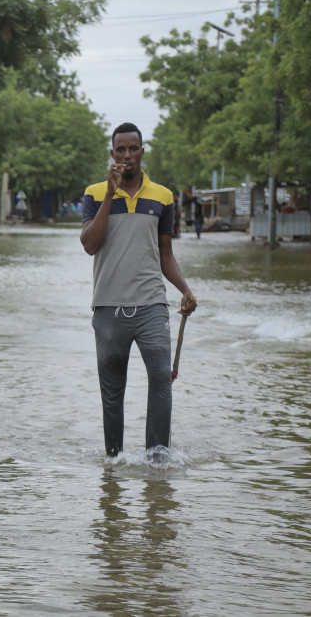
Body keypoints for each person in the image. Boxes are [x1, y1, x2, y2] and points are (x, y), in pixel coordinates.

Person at [80, 123, 197, 458]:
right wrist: (110, 194)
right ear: (112, 153)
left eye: (133, 149)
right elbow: (89, 245)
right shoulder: (94, 193)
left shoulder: (162, 196)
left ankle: (157, 460)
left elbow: (165, 254)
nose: (127, 155)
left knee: (161, 379)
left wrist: (185, 290)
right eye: (121, 150)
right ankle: (114, 463)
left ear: (142, 152)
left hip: (152, 305)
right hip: (108, 307)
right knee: (112, 392)